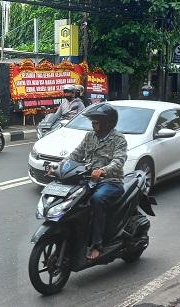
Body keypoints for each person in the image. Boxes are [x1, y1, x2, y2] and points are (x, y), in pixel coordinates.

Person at [50, 103, 126, 261]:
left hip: (111, 181)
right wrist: (59, 166)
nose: (92, 124)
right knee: (71, 201)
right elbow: (75, 155)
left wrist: (103, 170)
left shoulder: (118, 139)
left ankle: (97, 244)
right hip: (88, 180)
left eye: (95, 121)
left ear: (106, 123)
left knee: (97, 200)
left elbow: (119, 160)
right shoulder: (90, 136)